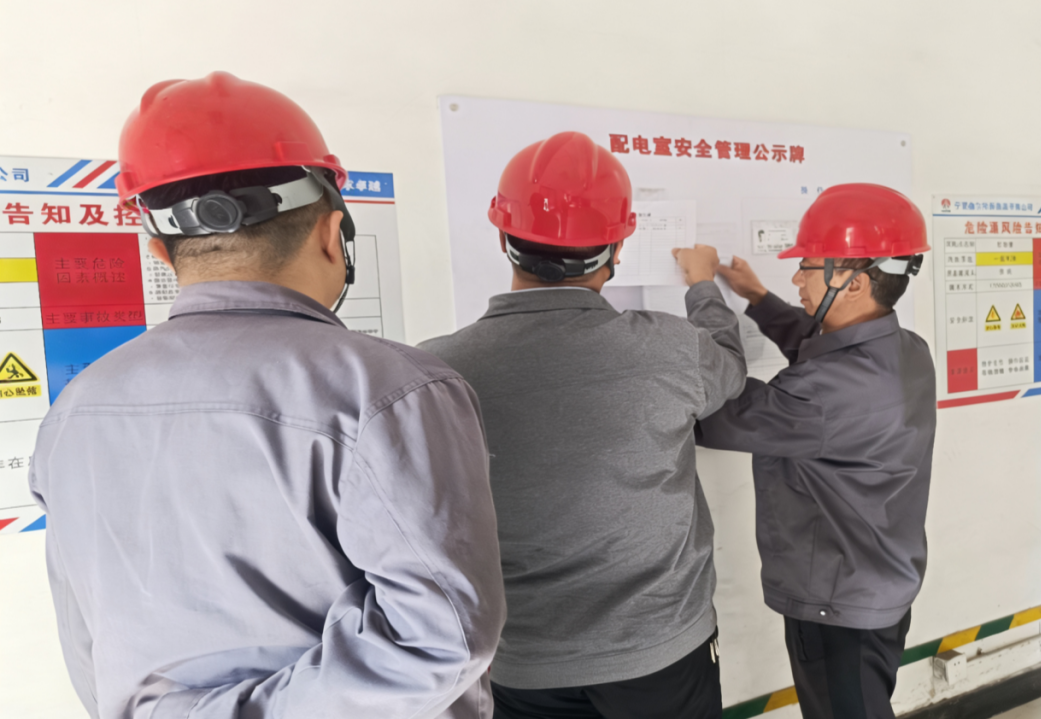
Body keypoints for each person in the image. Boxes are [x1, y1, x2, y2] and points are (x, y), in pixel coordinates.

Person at [28, 72, 505, 719]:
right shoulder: (390, 390)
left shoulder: (73, 412)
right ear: (332, 234)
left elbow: (86, 635)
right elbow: (439, 639)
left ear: (161, 253)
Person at [420, 131, 746, 719]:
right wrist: (703, 285)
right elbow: (730, 366)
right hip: (662, 651)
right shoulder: (672, 349)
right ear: (617, 248)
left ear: (503, 237)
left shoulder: (436, 370)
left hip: (523, 660)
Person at [683, 183, 936, 719]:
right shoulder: (907, 350)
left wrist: (703, 290)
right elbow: (824, 349)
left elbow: (712, 408)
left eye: (807, 267)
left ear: (853, 282)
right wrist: (758, 299)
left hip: (838, 607)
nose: (797, 279)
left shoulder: (823, 394)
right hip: (879, 586)